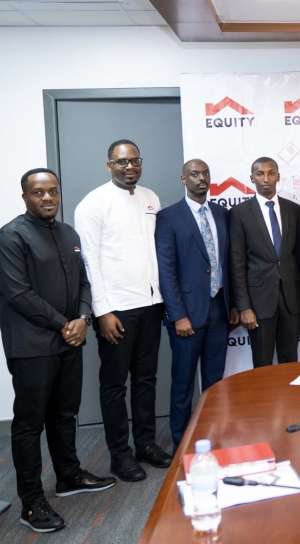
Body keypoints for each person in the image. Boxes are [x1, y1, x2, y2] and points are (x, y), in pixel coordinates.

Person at [0, 169, 115, 533]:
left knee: (63, 414)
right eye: (39, 192)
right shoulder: (11, 237)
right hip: (31, 347)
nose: (48, 198)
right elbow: (19, 294)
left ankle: (69, 476)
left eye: (53, 191)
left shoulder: (68, 234)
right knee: (29, 425)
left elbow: (84, 282)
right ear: (25, 197)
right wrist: (65, 322)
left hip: (69, 341)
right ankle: (31, 503)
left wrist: (82, 316)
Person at [75, 140, 171, 482]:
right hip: (117, 310)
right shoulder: (93, 204)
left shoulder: (151, 198)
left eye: (135, 161)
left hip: (151, 304)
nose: (130, 167)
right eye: (122, 162)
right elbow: (90, 261)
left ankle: (145, 444)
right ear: (109, 165)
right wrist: (102, 311)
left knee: (146, 379)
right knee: (115, 384)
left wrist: (161, 299)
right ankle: (120, 455)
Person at [155, 159, 237, 449]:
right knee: (183, 383)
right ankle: (181, 442)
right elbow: (166, 270)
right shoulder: (168, 217)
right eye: (194, 174)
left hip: (219, 308)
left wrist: (234, 304)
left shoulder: (222, 214)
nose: (201, 179)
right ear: (183, 179)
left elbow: (229, 263)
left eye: (205, 174)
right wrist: (178, 315)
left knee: (214, 382)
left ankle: (210, 435)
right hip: (187, 314)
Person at [229, 157, 300, 366]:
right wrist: (244, 307)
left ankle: (293, 399)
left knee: (290, 360)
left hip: (291, 301)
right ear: (252, 178)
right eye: (260, 174)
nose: (266, 178)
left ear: (278, 176)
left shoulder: (294, 210)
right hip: (258, 303)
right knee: (262, 363)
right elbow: (237, 264)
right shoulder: (239, 214)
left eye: (271, 173)